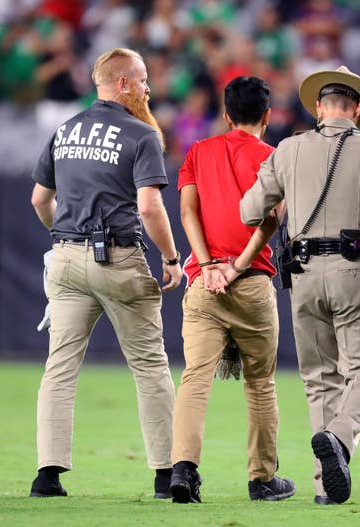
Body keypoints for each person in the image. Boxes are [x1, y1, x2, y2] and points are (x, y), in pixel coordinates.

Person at [240, 66, 360, 505]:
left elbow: (250, 211)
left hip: (304, 276)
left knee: (320, 380)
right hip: (355, 275)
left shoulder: (287, 149)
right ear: (358, 108)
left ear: (320, 107)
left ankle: (326, 488)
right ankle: (340, 440)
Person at [28, 47, 183, 498]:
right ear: (123, 85)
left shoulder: (66, 129)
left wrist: (60, 234)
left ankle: (47, 475)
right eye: (143, 79)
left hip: (66, 259)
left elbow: (40, 198)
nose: (149, 88)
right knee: (150, 365)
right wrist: (171, 258)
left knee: (59, 368)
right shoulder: (141, 134)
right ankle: (164, 474)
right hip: (117, 258)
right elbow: (150, 206)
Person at [170, 76, 294, 504]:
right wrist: (237, 267)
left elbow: (187, 211)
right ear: (267, 116)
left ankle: (182, 471)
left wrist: (208, 266)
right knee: (260, 383)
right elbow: (271, 221)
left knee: (194, 379)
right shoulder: (272, 157)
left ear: (225, 115)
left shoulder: (198, 152)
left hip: (205, 284)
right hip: (253, 283)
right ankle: (262, 480)